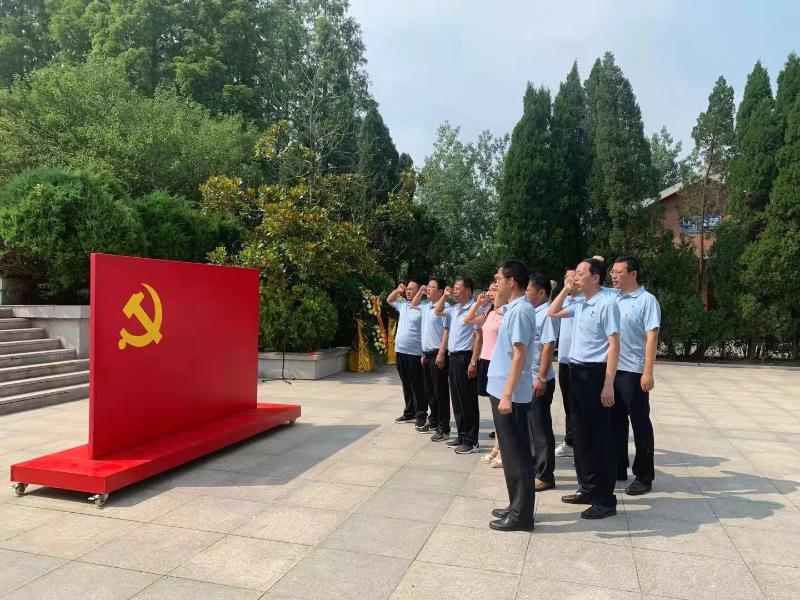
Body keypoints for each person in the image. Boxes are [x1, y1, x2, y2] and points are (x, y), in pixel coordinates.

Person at [549, 257, 621, 519]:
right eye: (575, 273)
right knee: (580, 435)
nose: (576, 277)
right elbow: (552, 312)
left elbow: (614, 345)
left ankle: (606, 498)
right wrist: (566, 289)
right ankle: (588, 488)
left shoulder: (606, 303)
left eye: (580, 273)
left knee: (599, 437)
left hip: (595, 374)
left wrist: (608, 384)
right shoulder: (579, 302)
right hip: (575, 371)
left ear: (596, 277)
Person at [486, 260, 538, 531]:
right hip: (502, 390)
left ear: (512, 282)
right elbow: (497, 307)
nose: (496, 284)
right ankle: (515, 504)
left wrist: (507, 395)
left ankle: (522, 515)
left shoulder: (520, 312)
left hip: (512, 395)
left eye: (499, 279)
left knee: (518, 455)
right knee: (510, 453)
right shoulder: (513, 309)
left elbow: (519, 355)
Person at [610, 256, 661, 495]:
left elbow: (652, 337)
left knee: (640, 424)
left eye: (619, 272)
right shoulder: (613, 297)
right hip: (612, 371)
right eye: (612, 272)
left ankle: (644, 475)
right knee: (615, 423)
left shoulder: (646, 300)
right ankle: (618, 466)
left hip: (634, 372)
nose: (614, 276)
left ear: (633, 274)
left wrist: (647, 372)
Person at [434, 279, 482, 454]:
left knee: (468, 400)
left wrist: (474, 361)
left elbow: (479, 337)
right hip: (453, 357)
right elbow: (438, 311)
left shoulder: (475, 308)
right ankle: (462, 435)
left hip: (466, 357)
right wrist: (444, 296)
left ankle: (472, 440)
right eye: (453, 288)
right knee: (457, 399)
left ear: (468, 290)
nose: (454, 291)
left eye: (457, 288)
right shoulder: (454, 309)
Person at [526, 275, 559, 492]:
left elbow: (548, 346)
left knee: (540, 429)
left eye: (529, 289)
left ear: (541, 293)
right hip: (528, 379)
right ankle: (535, 467)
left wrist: (541, 377)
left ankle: (546, 475)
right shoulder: (532, 312)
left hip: (539, 379)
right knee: (531, 427)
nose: (525, 293)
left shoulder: (546, 314)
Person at [465, 282, 503, 467]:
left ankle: (502, 450)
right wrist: (478, 303)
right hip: (486, 362)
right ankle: (497, 447)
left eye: (494, 289)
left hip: (499, 363)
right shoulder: (489, 312)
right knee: (494, 408)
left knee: (501, 410)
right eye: (488, 290)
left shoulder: (506, 313)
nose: (489, 293)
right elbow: (468, 319)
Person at [411, 279, 451, 440]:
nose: (428, 289)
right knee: (430, 392)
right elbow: (413, 304)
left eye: (432, 287)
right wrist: (421, 291)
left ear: (441, 291)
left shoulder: (445, 307)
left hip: (438, 354)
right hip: (426, 355)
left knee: (440, 393)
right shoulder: (426, 306)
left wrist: (441, 353)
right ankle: (434, 421)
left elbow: (447, 331)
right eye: (428, 286)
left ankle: (444, 427)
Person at [387, 281, 426, 425]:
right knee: (406, 384)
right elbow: (389, 300)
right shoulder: (403, 305)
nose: (408, 291)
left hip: (415, 353)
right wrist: (398, 291)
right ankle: (409, 412)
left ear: (419, 291)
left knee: (418, 385)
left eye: (411, 289)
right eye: (407, 289)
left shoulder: (423, 307)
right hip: (401, 351)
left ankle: (421, 415)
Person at [554, 269, 578, 458]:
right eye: (566, 277)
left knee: (579, 406)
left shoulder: (583, 301)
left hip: (580, 362)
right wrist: (563, 290)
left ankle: (580, 443)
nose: (569, 280)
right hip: (564, 360)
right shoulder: (566, 300)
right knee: (568, 405)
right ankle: (570, 442)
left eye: (573, 276)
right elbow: (550, 311)